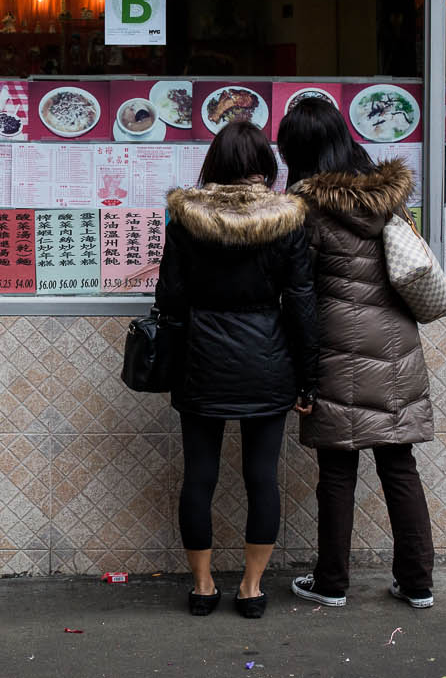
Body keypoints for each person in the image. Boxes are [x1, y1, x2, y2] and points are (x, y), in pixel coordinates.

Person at [276, 97, 436, 610]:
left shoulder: (306, 208)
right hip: (394, 344)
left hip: (337, 345)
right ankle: (418, 585)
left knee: (338, 470)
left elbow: (298, 291)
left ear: (297, 151)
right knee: (399, 464)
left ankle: (332, 582)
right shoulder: (386, 196)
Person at [155, 120, 319, 618]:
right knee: (261, 478)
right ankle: (250, 589)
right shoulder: (287, 217)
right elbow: (301, 302)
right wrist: (308, 378)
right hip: (267, 360)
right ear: (265, 167)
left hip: (201, 359)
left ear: (215, 164)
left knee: (199, 476)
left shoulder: (185, 217)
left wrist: (178, 356)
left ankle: (203, 587)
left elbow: (171, 298)